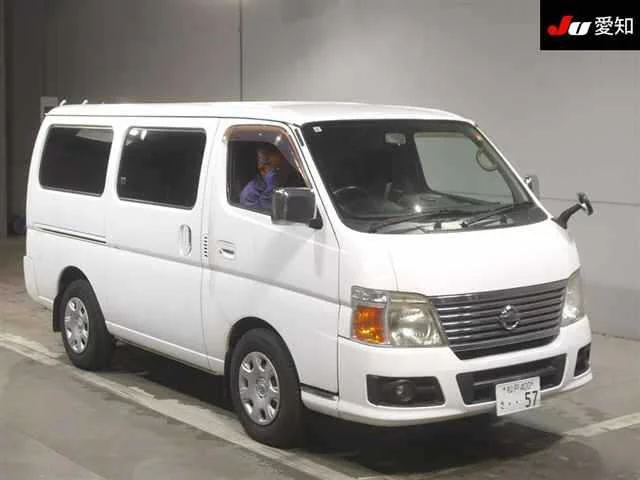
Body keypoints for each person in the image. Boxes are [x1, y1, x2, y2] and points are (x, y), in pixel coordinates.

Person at [240, 144, 294, 210]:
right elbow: (265, 212)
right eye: (277, 168)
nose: (287, 169)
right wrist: (271, 190)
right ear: (262, 169)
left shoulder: (293, 181)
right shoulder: (250, 194)